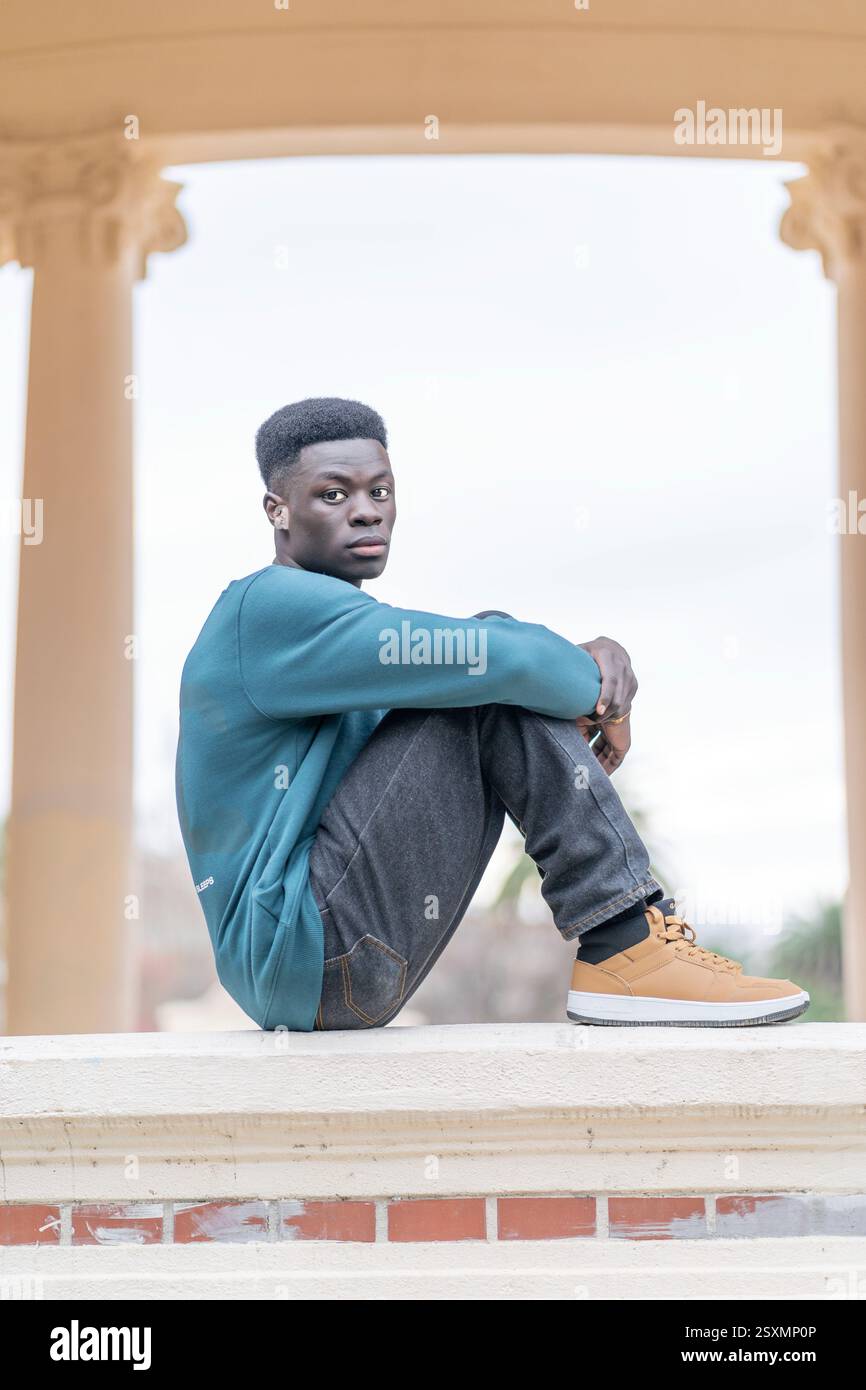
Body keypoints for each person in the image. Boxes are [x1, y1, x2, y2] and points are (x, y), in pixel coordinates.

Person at [175, 396, 809, 1032]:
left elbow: (489, 670)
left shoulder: (337, 633)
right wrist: (600, 679)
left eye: (381, 490)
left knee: (480, 671)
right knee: (487, 666)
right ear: (276, 510)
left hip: (333, 967)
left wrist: (573, 678)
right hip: (310, 952)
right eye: (334, 495)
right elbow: (494, 658)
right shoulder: (265, 609)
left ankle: (630, 949)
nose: (367, 511)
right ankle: (626, 946)